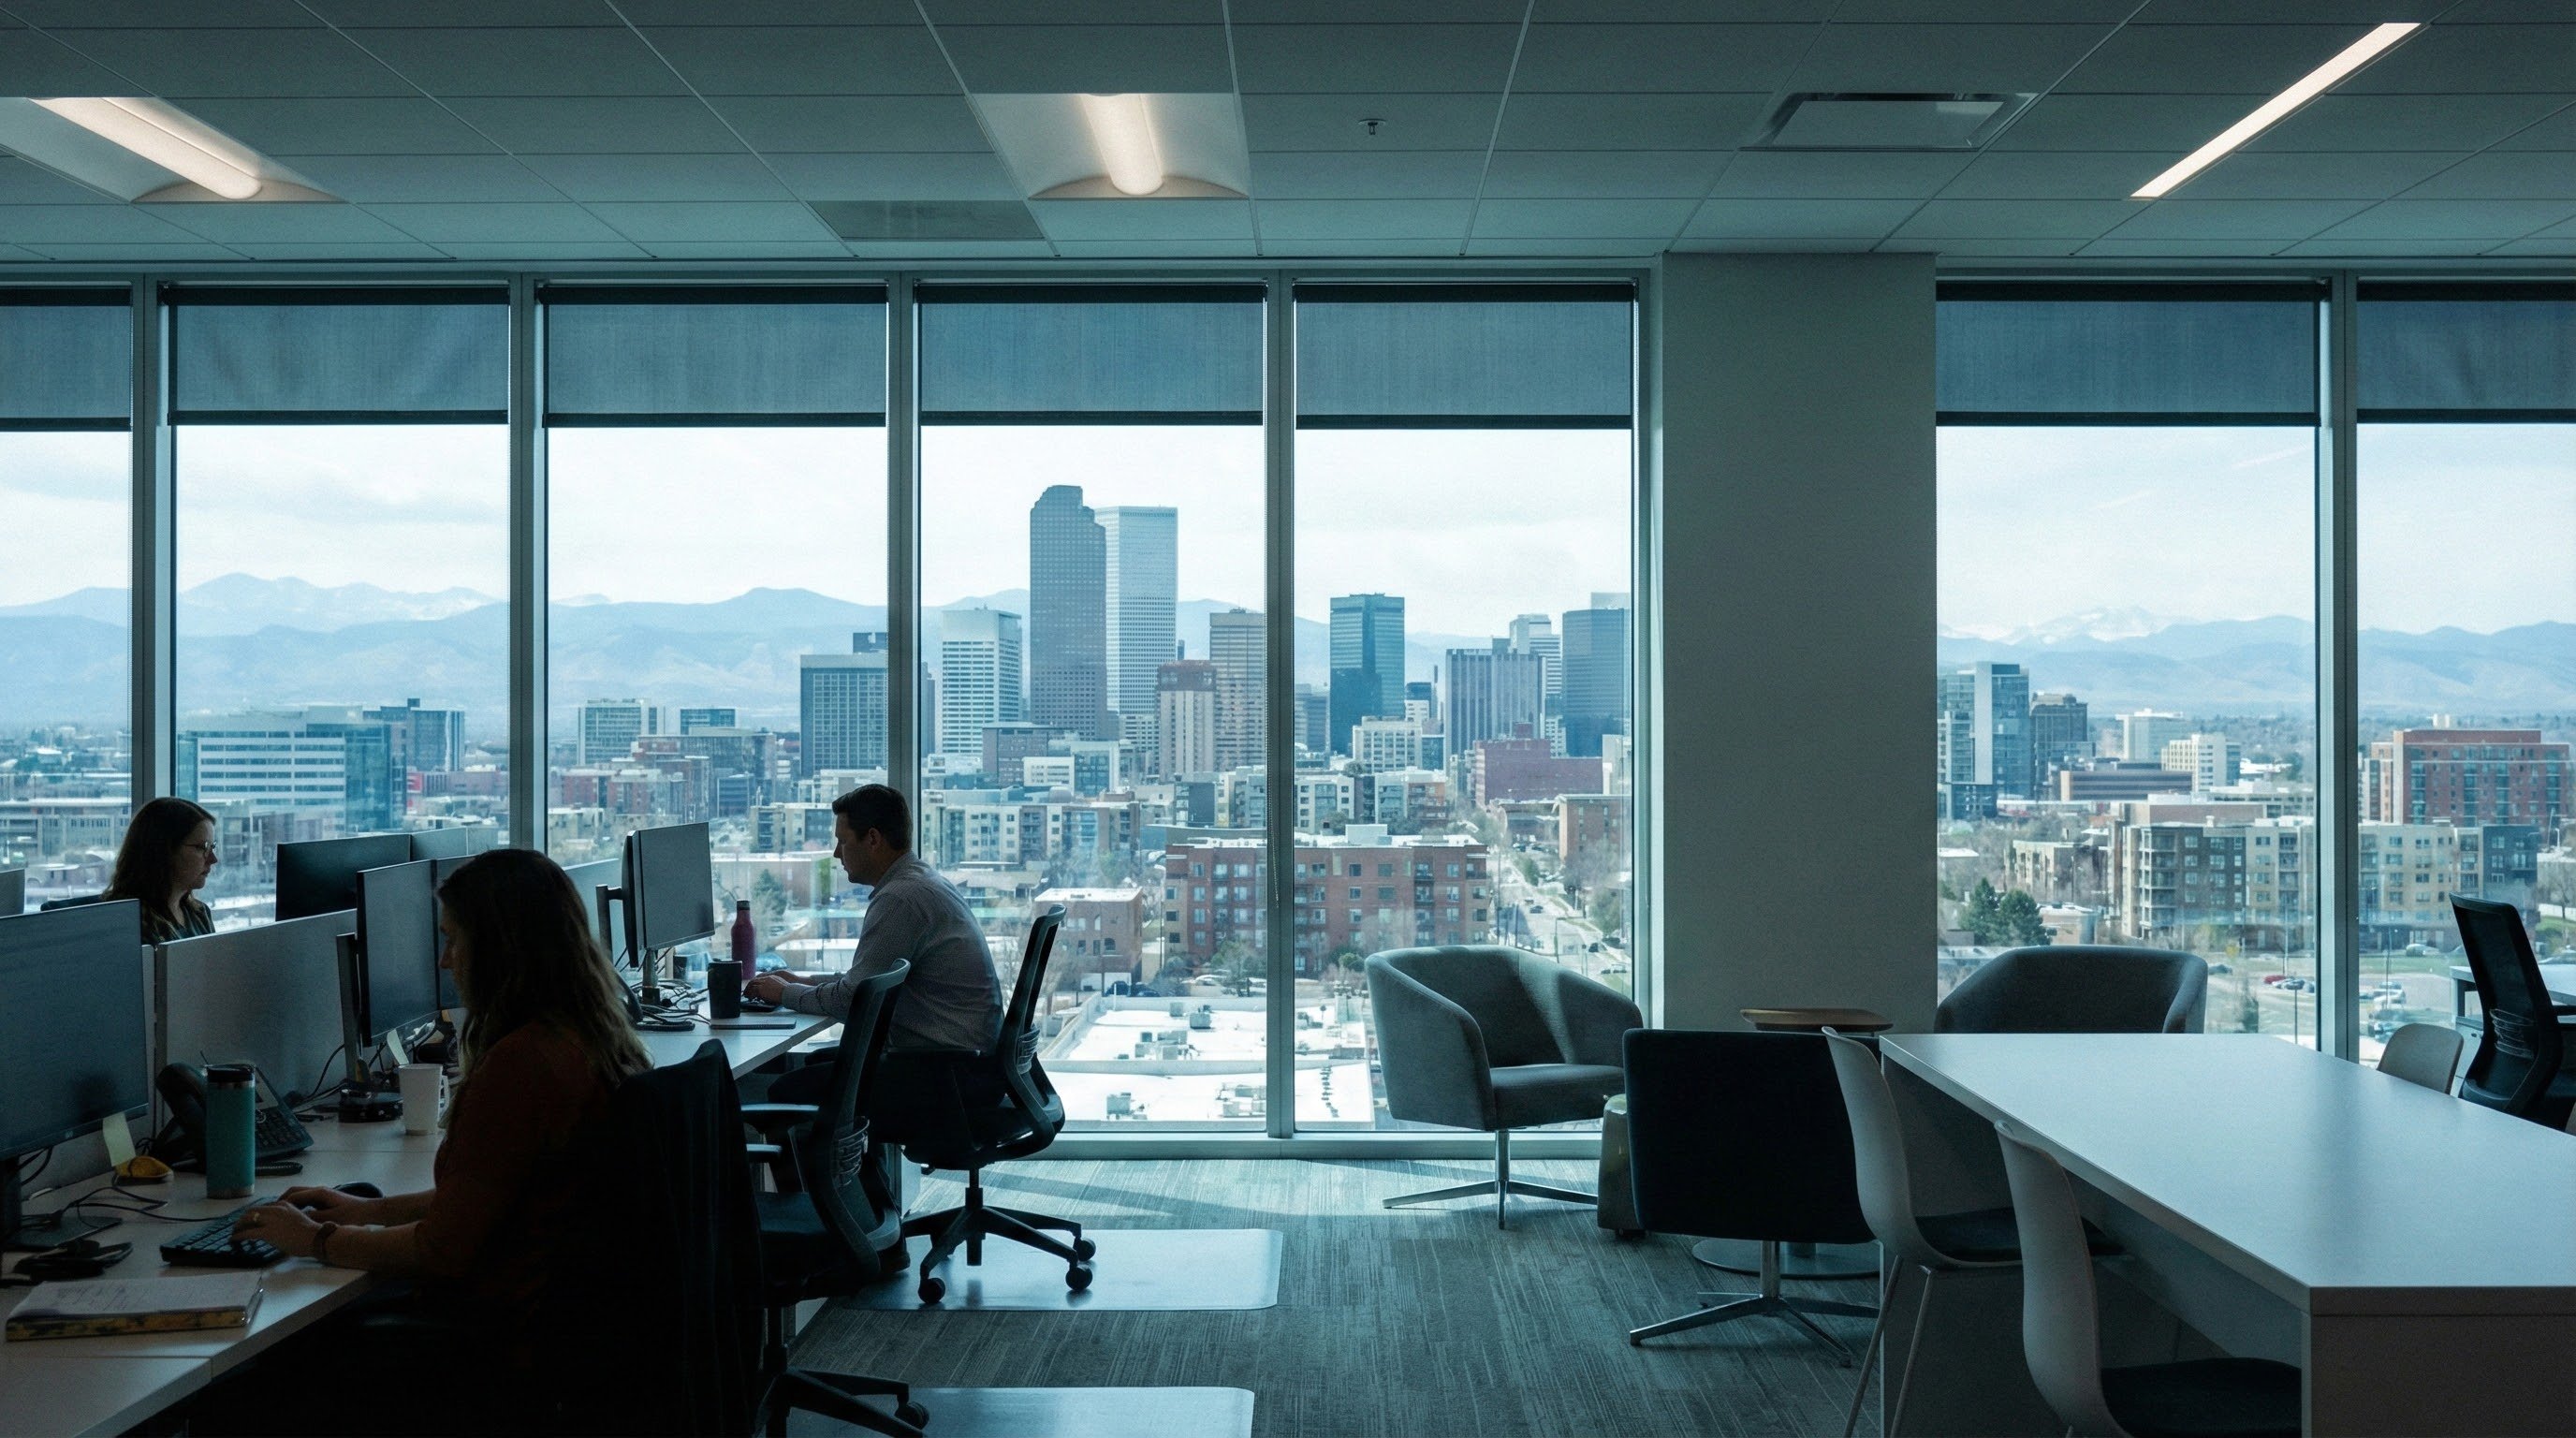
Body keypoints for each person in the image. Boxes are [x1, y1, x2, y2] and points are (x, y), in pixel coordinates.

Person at [211, 849, 651, 1431]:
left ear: (501, 950)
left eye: (455, 941)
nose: (446, 961)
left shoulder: (522, 1065)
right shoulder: (590, 1040)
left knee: (250, 1385)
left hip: (499, 1341)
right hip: (558, 1330)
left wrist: (315, 1239)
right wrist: (369, 1209)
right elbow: (498, 1190)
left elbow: (443, 1250)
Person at [746, 785, 1002, 1247]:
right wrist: (801, 985)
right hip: (961, 1060)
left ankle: (829, 1241)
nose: (836, 852)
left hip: (947, 1073)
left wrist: (782, 994)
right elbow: (867, 981)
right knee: (821, 1069)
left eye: (843, 841)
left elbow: (851, 1000)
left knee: (792, 1092)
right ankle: (873, 1233)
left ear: (874, 840)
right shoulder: (918, 882)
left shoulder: (900, 899)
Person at [102, 796, 220, 944]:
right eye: (201, 847)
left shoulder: (200, 914)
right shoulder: (126, 924)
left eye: (212, 847)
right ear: (163, 851)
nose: (213, 859)